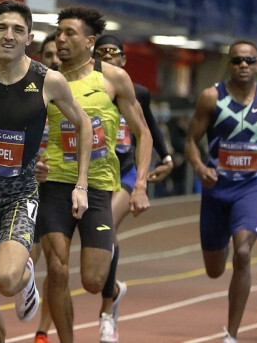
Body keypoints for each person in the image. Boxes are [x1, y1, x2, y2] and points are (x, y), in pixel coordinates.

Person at [0, 0, 92, 342]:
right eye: (2, 28)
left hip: (18, 196)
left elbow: (83, 124)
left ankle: (25, 276)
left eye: (18, 30)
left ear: (29, 37)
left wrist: (81, 183)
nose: (9, 36)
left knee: (6, 280)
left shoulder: (48, 81)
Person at [38, 6, 152, 343]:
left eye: (69, 33)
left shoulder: (113, 79)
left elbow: (143, 133)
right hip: (56, 185)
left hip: (99, 187)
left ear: (90, 41)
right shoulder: (46, 80)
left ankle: (111, 294)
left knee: (92, 281)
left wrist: (141, 184)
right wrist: (36, 164)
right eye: (58, 33)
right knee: (57, 270)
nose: (61, 39)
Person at [185, 39, 257, 343]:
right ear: (229, 64)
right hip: (216, 191)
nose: (243, 65)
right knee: (215, 269)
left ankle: (231, 334)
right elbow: (191, 140)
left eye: (249, 60)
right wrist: (200, 168)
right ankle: (223, 241)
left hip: (250, 189)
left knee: (243, 254)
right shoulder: (210, 98)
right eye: (237, 60)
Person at [92, 34, 174, 339]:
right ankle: (113, 289)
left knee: (107, 228)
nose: (109, 58)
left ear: (124, 60)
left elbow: (148, 127)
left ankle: (105, 312)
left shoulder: (137, 92)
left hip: (125, 175)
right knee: (95, 250)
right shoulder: (84, 92)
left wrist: (166, 157)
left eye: (114, 53)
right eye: (102, 53)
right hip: (96, 174)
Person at [32, 33, 60, 343]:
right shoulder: (30, 90)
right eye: (48, 54)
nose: (54, 59)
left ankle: (43, 329)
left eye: (58, 54)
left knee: (56, 264)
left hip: (58, 187)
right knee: (27, 259)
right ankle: (24, 283)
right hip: (27, 185)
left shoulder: (73, 95)